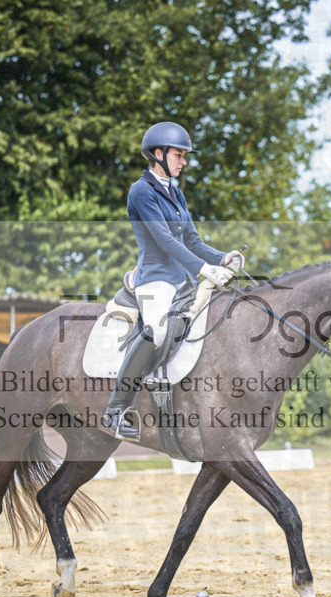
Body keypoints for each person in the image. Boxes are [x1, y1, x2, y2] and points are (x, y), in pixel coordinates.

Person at [102, 122, 243, 441]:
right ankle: (115, 410)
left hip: (182, 282)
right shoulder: (140, 192)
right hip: (155, 280)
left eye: (184, 155)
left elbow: (192, 241)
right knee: (157, 331)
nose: (184, 161)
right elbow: (164, 240)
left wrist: (223, 258)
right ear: (157, 154)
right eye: (179, 155)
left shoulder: (175, 193)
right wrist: (203, 270)